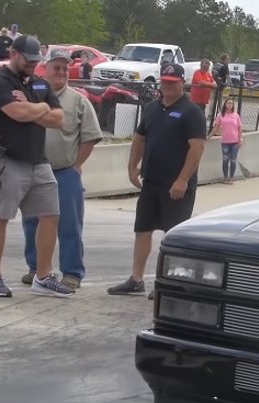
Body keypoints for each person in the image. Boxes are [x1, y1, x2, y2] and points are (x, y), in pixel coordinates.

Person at [0, 35, 71, 298]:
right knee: (1, 217)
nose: (33, 64)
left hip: (38, 160)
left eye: (36, 60)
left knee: (51, 214)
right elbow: (16, 114)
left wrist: (34, 106)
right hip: (6, 157)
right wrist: (39, 109)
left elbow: (58, 119)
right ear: (15, 54)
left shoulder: (40, 85)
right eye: (29, 60)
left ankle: (43, 276)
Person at [107, 63, 207, 297]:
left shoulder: (192, 112)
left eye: (172, 82)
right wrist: (133, 167)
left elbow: (197, 148)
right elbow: (139, 138)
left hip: (177, 185)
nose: (167, 86)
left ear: (182, 82)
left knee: (172, 235)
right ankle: (136, 279)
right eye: (164, 81)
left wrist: (182, 180)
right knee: (142, 229)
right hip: (151, 181)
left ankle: (169, 282)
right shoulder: (152, 108)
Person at [20, 48, 103, 290]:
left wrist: (77, 165)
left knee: (69, 223)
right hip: (34, 169)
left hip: (64, 171)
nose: (62, 72)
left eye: (66, 68)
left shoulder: (78, 100)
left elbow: (90, 137)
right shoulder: (32, 95)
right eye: (57, 67)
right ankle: (36, 268)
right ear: (44, 69)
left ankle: (72, 272)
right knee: (32, 222)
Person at [210, 101, 242, 185]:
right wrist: (209, 136)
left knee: (233, 160)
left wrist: (240, 139)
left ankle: (231, 178)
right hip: (225, 141)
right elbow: (216, 128)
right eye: (228, 103)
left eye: (231, 103)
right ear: (225, 104)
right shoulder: (220, 115)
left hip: (234, 141)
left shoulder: (236, 115)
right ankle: (225, 178)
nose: (229, 105)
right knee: (225, 160)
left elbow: (239, 128)